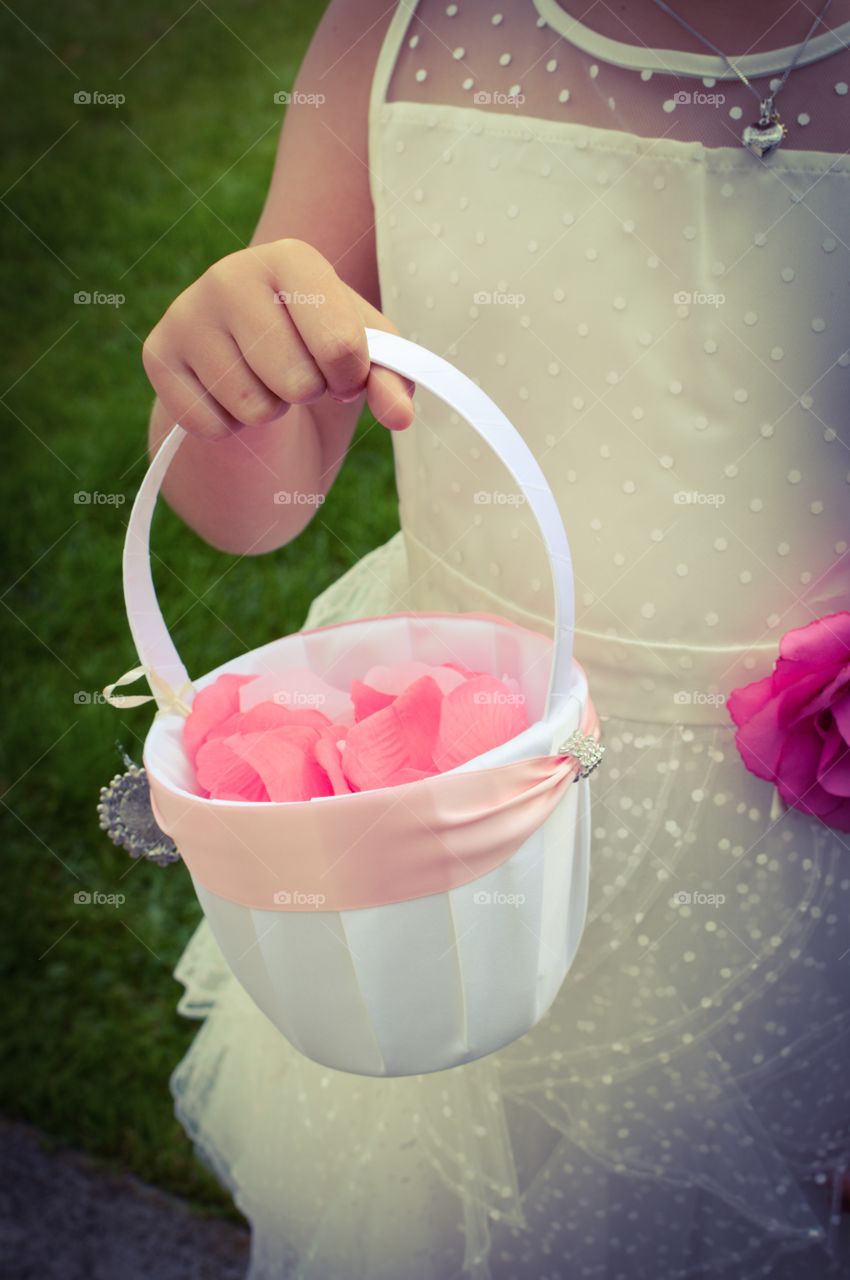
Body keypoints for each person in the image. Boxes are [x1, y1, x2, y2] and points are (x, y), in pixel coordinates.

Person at [141, 1, 850, 1275]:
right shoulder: (402, 25)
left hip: (801, 841)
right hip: (454, 805)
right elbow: (258, 508)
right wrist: (231, 375)